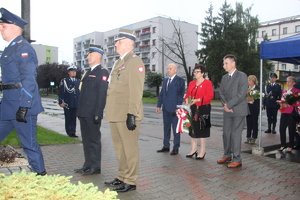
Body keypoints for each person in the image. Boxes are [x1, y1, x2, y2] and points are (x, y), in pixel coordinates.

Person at [0, 8, 46, 175]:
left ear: (14, 27)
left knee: (29, 144)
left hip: (21, 106)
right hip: (7, 105)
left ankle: (41, 177)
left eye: (3, 25)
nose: (0, 29)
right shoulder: (9, 48)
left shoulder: (23, 48)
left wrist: (24, 106)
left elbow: (28, 80)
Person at [104, 28, 145, 193]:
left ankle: (131, 180)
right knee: (120, 148)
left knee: (130, 148)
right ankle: (121, 176)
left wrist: (132, 114)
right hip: (116, 113)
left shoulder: (134, 61)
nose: (115, 44)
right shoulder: (120, 61)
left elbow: (136, 90)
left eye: (119, 41)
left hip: (127, 113)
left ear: (129, 43)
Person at [74, 44, 109, 175]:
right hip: (83, 112)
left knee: (94, 140)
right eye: (88, 54)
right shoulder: (88, 72)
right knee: (86, 140)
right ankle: (87, 164)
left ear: (98, 56)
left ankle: (95, 166)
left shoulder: (102, 72)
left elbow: (102, 94)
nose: (87, 57)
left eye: (90, 54)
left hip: (93, 113)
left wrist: (98, 113)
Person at [218, 54, 248, 168]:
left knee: (235, 134)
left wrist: (229, 104)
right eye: (224, 63)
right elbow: (221, 93)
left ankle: (237, 158)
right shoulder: (224, 78)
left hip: (238, 110)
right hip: (227, 110)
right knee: (226, 133)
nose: (224, 65)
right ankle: (227, 155)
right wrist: (225, 105)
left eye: (226, 63)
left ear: (233, 63)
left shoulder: (242, 76)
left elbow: (241, 94)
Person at [183, 64, 214, 159]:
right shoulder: (192, 83)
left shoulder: (207, 83)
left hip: (204, 108)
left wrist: (198, 100)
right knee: (193, 129)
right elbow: (187, 94)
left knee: (202, 129)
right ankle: (193, 149)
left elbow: (210, 95)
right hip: (193, 108)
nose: (195, 73)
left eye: (197, 72)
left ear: (203, 73)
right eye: (194, 72)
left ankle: (202, 151)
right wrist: (187, 100)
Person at [156, 63, 185, 155]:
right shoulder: (165, 81)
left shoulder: (180, 81)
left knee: (176, 129)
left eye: (170, 68)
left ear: (175, 70)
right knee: (166, 128)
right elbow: (162, 94)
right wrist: (159, 105)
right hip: (165, 109)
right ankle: (166, 146)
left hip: (174, 109)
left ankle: (176, 147)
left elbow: (180, 95)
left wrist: (178, 107)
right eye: (168, 68)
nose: (168, 70)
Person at [278, 76, 300, 153]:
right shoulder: (284, 91)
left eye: (290, 81)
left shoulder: (296, 91)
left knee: (291, 129)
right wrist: (282, 104)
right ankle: (283, 144)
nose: (288, 83)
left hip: (291, 112)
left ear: (294, 83)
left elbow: (298, 102)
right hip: (284, 112)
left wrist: (291, 103)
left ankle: (290, 145)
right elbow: (282, 99)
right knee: (281, 129)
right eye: (287, 81)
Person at [58, 65, 80, 137]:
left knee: (74, 118)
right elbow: (61, 92)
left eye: (75, 72)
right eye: (72, 72)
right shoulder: (64, 81)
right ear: (69, 72)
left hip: (75, 103)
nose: (74, 73)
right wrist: (60, 101)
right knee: (68, 118)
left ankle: (73, 131)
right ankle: (69, 131)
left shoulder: (78, 81)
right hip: (68, 102)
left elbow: (79, 92)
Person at [245, 75, 260, 144]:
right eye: (248, 80)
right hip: (248, 107)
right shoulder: (247, 88)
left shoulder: (257, 88)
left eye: (249, 80)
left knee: (254, 121)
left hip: (255, 107)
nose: (248, 82)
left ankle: (254, 137)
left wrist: (254, 99)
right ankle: (248, 136)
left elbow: (260, 97)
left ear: (253, 81)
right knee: (248, 122)